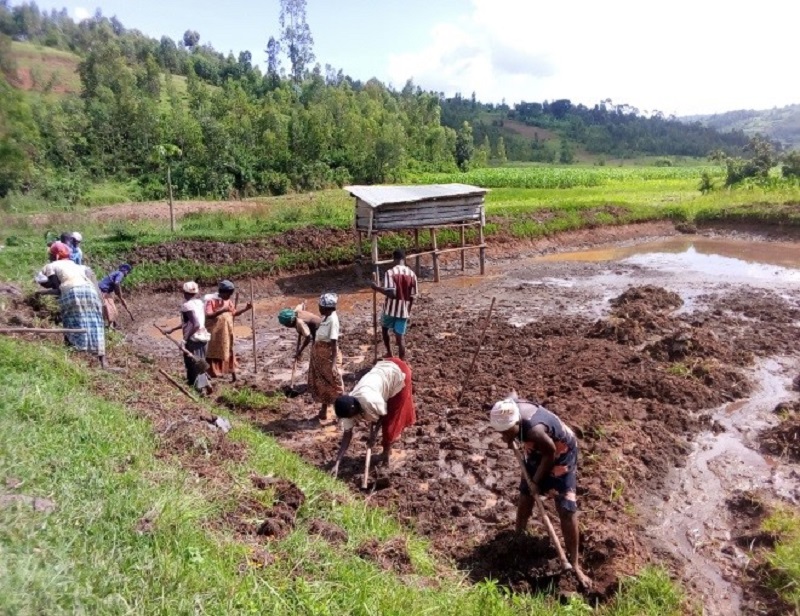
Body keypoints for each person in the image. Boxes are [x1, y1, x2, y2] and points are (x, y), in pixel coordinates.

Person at [488, 394, 592, 589]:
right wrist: (511, 437)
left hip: (560, 450)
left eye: (506, 433)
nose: (503, 439)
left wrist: (536, 481)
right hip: (537, 449)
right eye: (500, 433)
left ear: (517, 423)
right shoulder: (508, 409)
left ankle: (575, 564)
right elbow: (513, 396)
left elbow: (550, 452)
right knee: (526, 494)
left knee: (566, 507)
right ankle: (519, 536)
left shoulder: (535, 431)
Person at [331, 357, 415, 477]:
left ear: (355, 410)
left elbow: (383, 416)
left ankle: (386, 456)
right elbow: (347, 435)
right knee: (385, 422)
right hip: (382, 374)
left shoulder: (370, 401)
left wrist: (374, 435)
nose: (350, 419)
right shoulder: (347, 409)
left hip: (398, 373)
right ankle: (385, 452)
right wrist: (337, 462)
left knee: (390, 424)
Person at [37, 241, 108, 369]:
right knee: (96, 323)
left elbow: (56, 287)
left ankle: (74, 360)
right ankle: (103, 362)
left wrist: (40, 293)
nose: (50, 257)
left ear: (56, 256)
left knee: (71, 322)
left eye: (51, 255)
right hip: (90, 291)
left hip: (73, 292)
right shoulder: (76, 265)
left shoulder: (51, 266)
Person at [160, 281, 212, 396]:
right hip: (203, 338)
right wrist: (172, 329)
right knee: (200, 362)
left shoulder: (186, 306)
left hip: (193, 340)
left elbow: (196, 324)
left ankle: (200, 389)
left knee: (193, 365)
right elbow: (188, 322)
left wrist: (185, 339)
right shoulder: (199, 302)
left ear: (184, 292)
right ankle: (199, 385)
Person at [370, 248, 418, 360]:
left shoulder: (390, 273)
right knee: (400, 337)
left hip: (390, 309)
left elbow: (391, 294)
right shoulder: (412, 275)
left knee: (384, 329)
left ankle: (389, 353)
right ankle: (402, 362)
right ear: (404, 259)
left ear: (394, 259)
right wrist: (408, 312)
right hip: (404, 311)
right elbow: (412, 297)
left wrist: (376, 288)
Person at [204, 280, 252, 380]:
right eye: (227, 294)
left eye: (230, 294)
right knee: (212, 351)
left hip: (226, 332)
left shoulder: (228, 301)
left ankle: (231, 372)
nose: (229, 296)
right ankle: (212, 372)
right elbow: (208, 315)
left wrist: (246, 309)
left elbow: (234, 313)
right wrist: (222, 310)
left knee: (228, 350)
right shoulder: (211, 300)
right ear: (221, 292)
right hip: (215, 332)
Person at [307, 293, 343, 421]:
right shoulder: (327, 318)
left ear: (327, 308)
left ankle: (341, 413)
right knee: (323, 384)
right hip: (321, 356)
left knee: (334, 384)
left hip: (328, 356)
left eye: (320, 306)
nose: (319, 308)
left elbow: (334, 343)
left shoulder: (333, 320)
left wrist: (333, 364)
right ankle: (323, 411)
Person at [98, 264, 133, 329]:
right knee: (111, 308)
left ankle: (112, 324)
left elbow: (115, 288)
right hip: (103, 291)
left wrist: (120, 296)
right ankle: (110, 327)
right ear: (125, 270)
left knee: (108, 307)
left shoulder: (115, 273)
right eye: (128, 272)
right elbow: (117, 283)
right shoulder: (120, 274)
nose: (127, 274)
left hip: (101, 290)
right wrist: (120, 295)